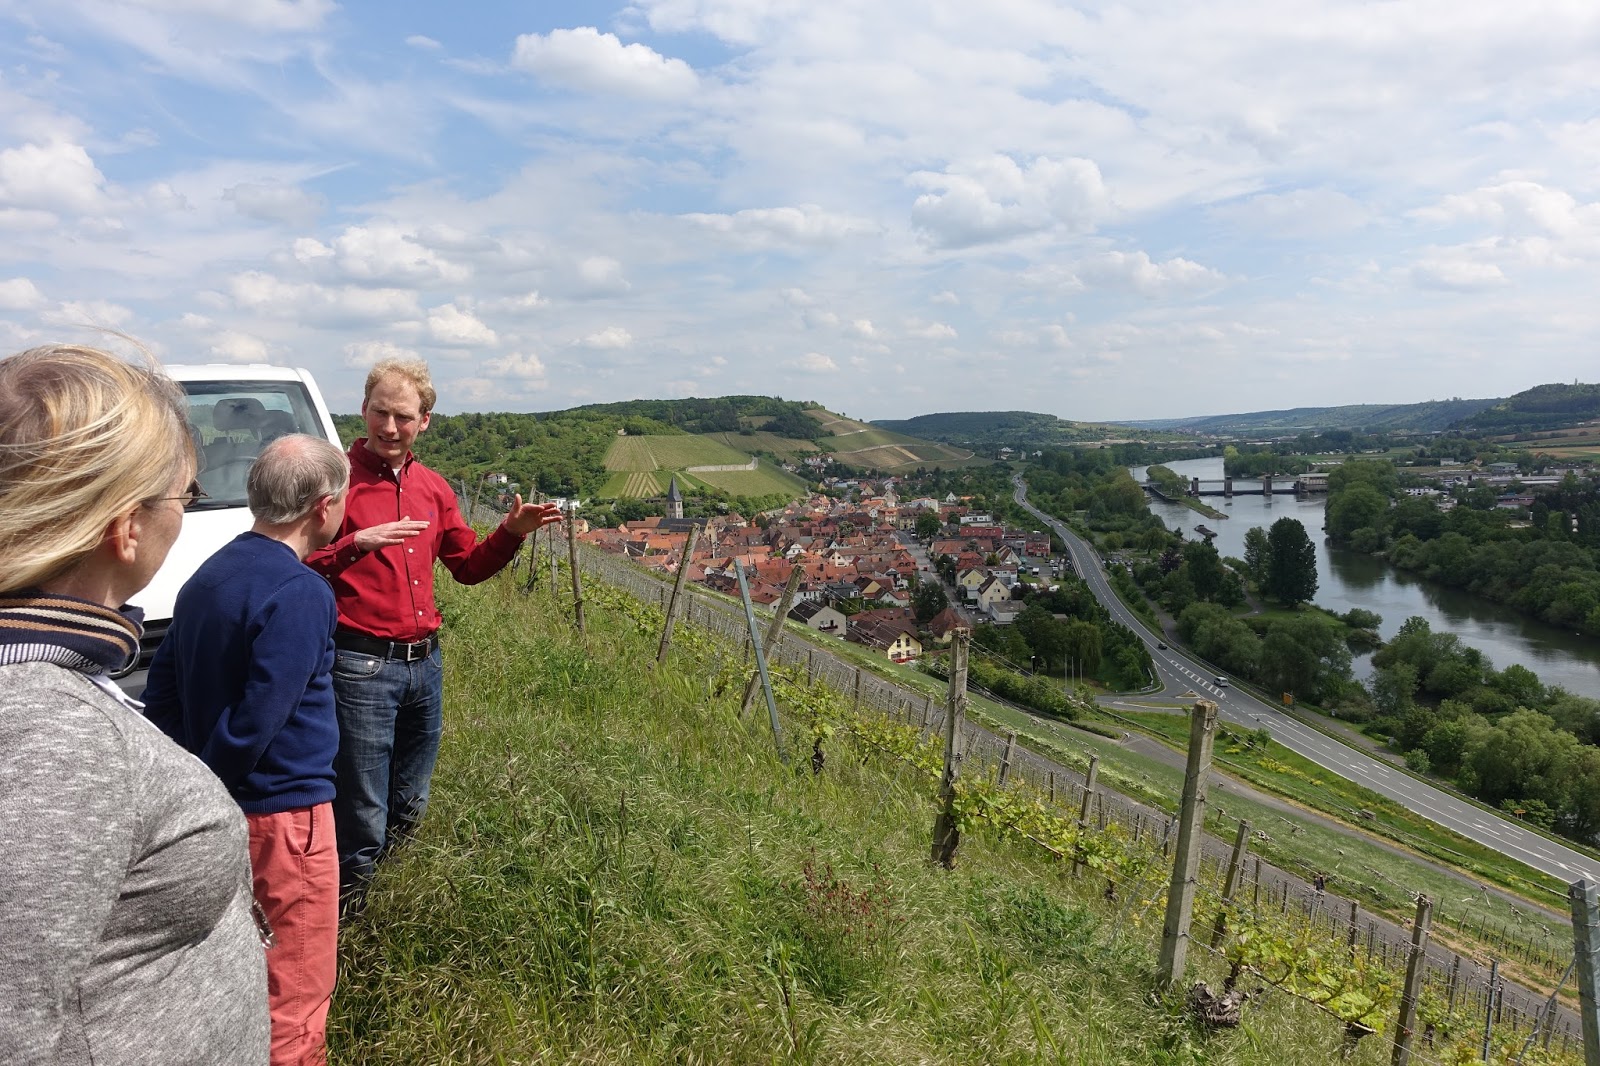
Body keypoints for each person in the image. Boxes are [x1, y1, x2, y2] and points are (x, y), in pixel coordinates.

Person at [0, 343, 268, 1064]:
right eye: (184, 495)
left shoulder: (42, 679)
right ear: (126, 526)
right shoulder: (47, 732)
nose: (188, 511)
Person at [306, 358, 562, 912]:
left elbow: (467, 566)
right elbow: (298, 565)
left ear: (426, 421)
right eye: (380, 412)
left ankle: (390, 909)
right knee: (361, 810)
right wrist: (357, 543)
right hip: (360, 664)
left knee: (409, 803)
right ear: (363, 409)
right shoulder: (334, 483)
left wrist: (510, 534)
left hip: (426, 665)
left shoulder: (433, 488)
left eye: (403, 416)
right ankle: (347, 921)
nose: (389, 427)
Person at [143, 434, 349, 1066]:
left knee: (232, 974)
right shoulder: (300, 592)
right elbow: (260, 717)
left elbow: (164, 690)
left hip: (222, 814)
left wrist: (190, 780)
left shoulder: (211, 574)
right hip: (286, 818)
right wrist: (214, 782)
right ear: (323, 506)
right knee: (295, 989)